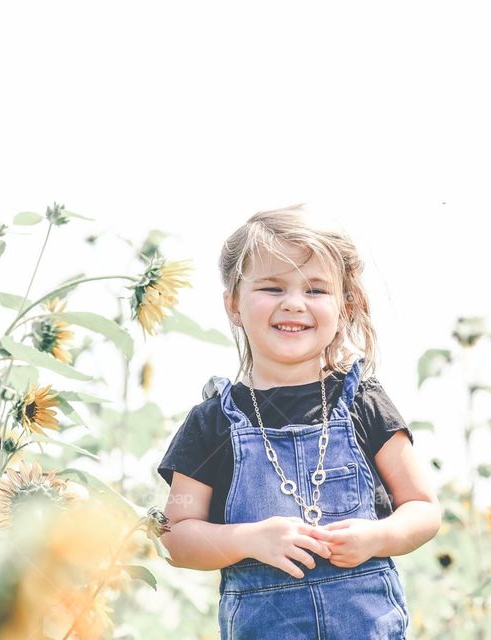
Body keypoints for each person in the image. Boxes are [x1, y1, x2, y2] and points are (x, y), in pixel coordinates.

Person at [156, 203, 441, 639]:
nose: (293, 304)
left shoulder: (362, 402)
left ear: (345, 306)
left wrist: (378, 537)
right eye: (272, 288)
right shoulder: (213, 422)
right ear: (234, 305)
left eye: (315, 290)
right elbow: (177, 537)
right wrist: (248, 539)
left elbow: (423, 509)